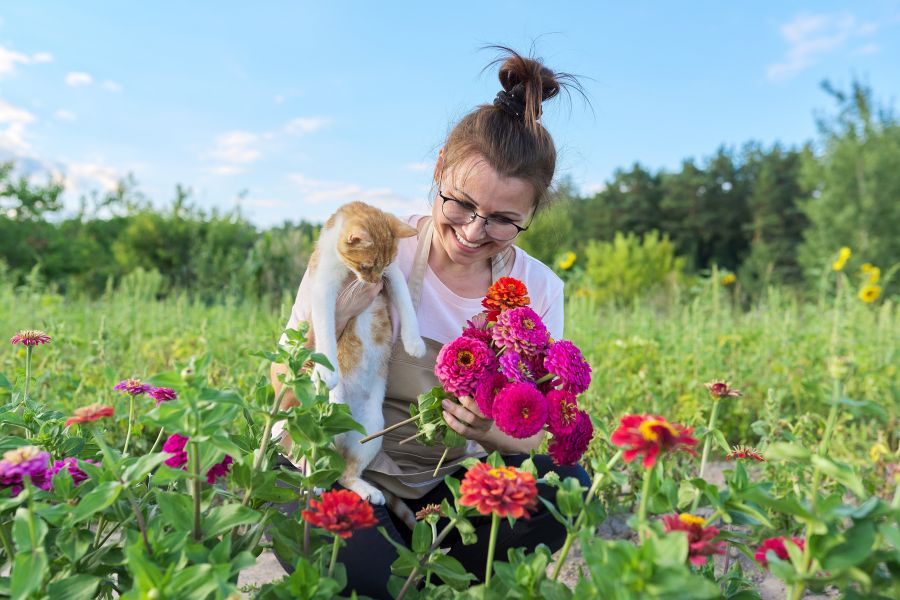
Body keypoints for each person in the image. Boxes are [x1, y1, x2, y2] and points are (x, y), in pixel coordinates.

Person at [270, 47, 591, 598]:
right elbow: (281, 389)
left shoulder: (538, 289)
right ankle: (396, 563)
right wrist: (336, 322)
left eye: (502, 220)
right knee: (372, 580)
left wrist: (490, 432)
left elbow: (536, 432)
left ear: (532, 214)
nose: (472, 231)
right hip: (327, 466)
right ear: (440, 166)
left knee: (566, 486)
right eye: (460, 204)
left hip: (436, 481)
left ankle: (427, 560)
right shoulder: (373, 247)